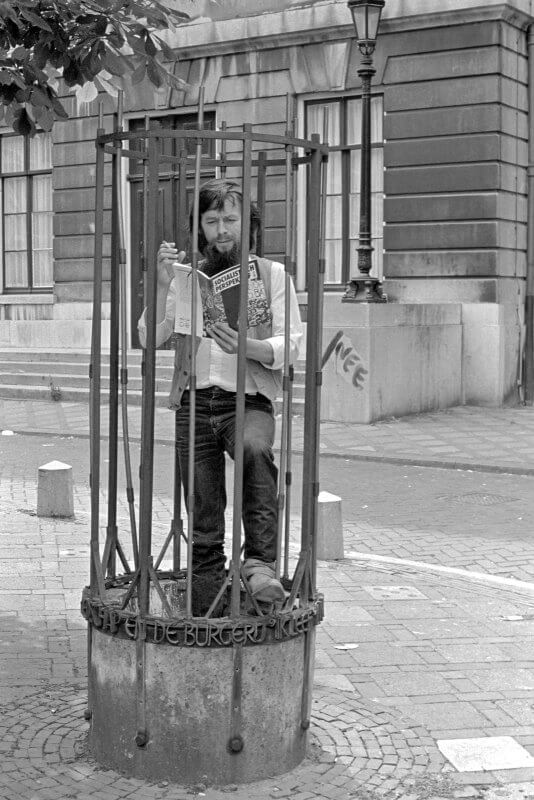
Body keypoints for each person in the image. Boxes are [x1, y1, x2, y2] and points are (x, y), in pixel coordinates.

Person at [138, 178, 303, 615]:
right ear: (200, 229)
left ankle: (260, 567)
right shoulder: (187, 278)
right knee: (203, 499)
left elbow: (293, 344)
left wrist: (246, 346)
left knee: (255, 448)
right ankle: (207, 581)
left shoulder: (272, 276)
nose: (221, 230)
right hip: (195, 399)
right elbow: (150, 338)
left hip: (248, 402)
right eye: (211, 221)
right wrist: (160, 285)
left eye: (229, 219)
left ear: (247, 226)